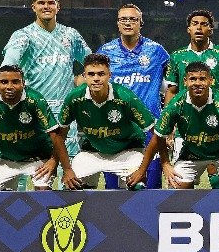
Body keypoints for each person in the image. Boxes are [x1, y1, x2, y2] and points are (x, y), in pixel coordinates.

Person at [132, 62, 219, 189]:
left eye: (202, 79)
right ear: (185, 81)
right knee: (175, 189)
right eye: (193, 79)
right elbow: (158, 136)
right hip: (191, 155)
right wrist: (163, 164)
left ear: (210, 81)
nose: (197, 83)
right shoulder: (176, 104)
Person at [0, 0, 91, 161]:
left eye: (51, 2)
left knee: (69, 166)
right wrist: (1, 84)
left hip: (65, 111)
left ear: (58, 7)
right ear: (33, 7)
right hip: (33, 110)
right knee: (28, 163)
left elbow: (92, 64)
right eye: (41, 3)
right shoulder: (23, 36)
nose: (46, 6)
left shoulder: (71, 35)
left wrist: (81, 79)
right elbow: (9, 64)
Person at [97, 3, 169, 189]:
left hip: (149, 127)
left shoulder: (157, 51)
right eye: (123, 19)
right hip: (113, 125)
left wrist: (169, 121)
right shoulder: (105, 52)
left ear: (141, 23)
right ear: (118, 23)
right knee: (113, 189)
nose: (128, 23)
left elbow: (172, 87)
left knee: (151, 184)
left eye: (133, 19)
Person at [58, 54, 156, 190]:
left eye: (101, 74)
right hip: (92, 153)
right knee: (70, 185)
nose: (96, 79)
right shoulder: (74, 98)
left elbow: (156, 133)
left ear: (109, 75)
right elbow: (59, 135)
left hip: (128, 152)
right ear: (84, 76)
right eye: (91, 74)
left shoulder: (125, 97)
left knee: (136, 186)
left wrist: (143, 169)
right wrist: (66, 168)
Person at [0, 65, 71, 191]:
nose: (9, 87)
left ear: (23, 83)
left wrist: (55, 161)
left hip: (39, 157)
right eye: (4, 82)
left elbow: (55, 134)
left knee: (43, 192)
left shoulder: (35, 100)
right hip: (6, 158)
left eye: (15, 82)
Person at [164, 10, 219, 104]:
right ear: (189, 29)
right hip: (186, 114)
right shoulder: (176, 56)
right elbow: (172, 91)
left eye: (204, 24)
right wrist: (166, 117)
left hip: (215, 114)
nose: (199, 28)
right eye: (195, 24)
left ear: (210, 30)